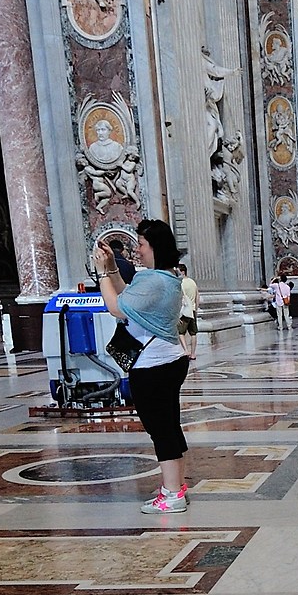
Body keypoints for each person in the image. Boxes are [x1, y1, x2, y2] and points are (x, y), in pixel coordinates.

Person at [96, 218, 191, 514]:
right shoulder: (163, 277)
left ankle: (173, 495)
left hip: (153, 366)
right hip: (169, 361)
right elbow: (129, 296)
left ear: (156, 248)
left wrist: (100, 274)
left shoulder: (154, 280)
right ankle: (174, 486)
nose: (137, 249)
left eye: (141, 244)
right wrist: (112, 267)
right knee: (168, 425)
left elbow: (116, 307)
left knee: (160, 429)